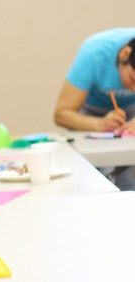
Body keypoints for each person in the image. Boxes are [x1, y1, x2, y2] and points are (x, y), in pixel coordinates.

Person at [54, 28, 135, 190]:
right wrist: (99, 124)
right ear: (125, 54)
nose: (133, 90)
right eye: (132, 79)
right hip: (92, 114)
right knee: (98, 176)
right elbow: (61, 113)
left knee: (129, 179)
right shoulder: (93, 55)